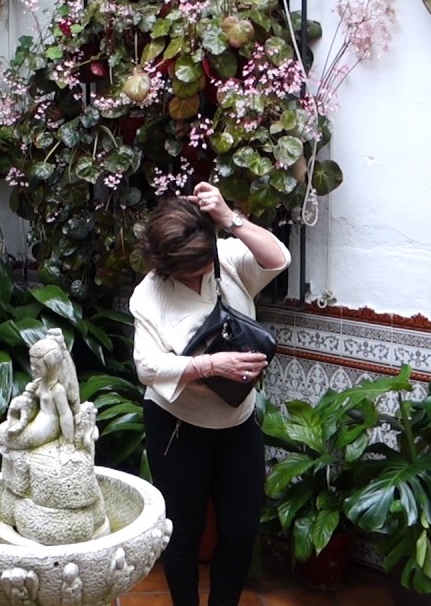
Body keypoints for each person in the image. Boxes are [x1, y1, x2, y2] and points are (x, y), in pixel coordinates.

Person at [130, 181, 290, 606]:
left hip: (237, 424)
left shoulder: (228, 259)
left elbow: (278, 258)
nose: (199, 272)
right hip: (176, 427)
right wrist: (210, 365)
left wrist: (228, 219)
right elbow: (147, 367)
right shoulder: (150, 294)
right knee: (182, 535)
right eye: (189, 269)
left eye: (203, 264)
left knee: (240, 534)